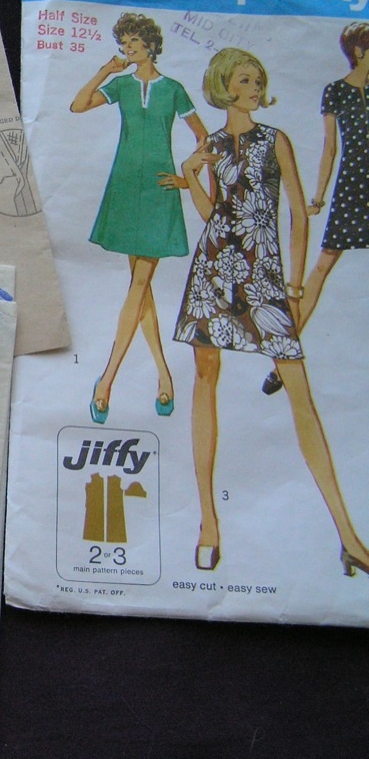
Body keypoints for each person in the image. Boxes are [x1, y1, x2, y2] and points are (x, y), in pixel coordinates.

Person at [175, 47, 369, 576]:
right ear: (225, 86)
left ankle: (348, 536)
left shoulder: (274, 139)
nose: (255, 88)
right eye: (245, 80)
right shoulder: (213, 145)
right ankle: (208, 524)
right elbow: (214, 215)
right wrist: (190, 175)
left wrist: (295, 286)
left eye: (258, 80)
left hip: (264, 276)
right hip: (214, 270)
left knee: (299, 391)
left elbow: (299, 217)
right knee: (205, 377)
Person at [71, 13, 208, 424]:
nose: (127, 49)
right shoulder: (122, 86)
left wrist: (187, 178)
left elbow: (204, 137)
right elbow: (78, 105)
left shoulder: (174, 89)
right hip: (126, 187)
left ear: (150, 45)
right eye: (124, 44)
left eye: (133, 42)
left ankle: (106, 381)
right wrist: (105, 70)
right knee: (141, 288)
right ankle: (164, 374)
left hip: (159, 190)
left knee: (140, 284)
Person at [262, 22, 369, 394]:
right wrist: (318, 199)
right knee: (322, 265)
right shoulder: (336, 91)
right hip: (354, 186)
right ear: (359, 52)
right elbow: (329, 148)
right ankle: (283, 357)